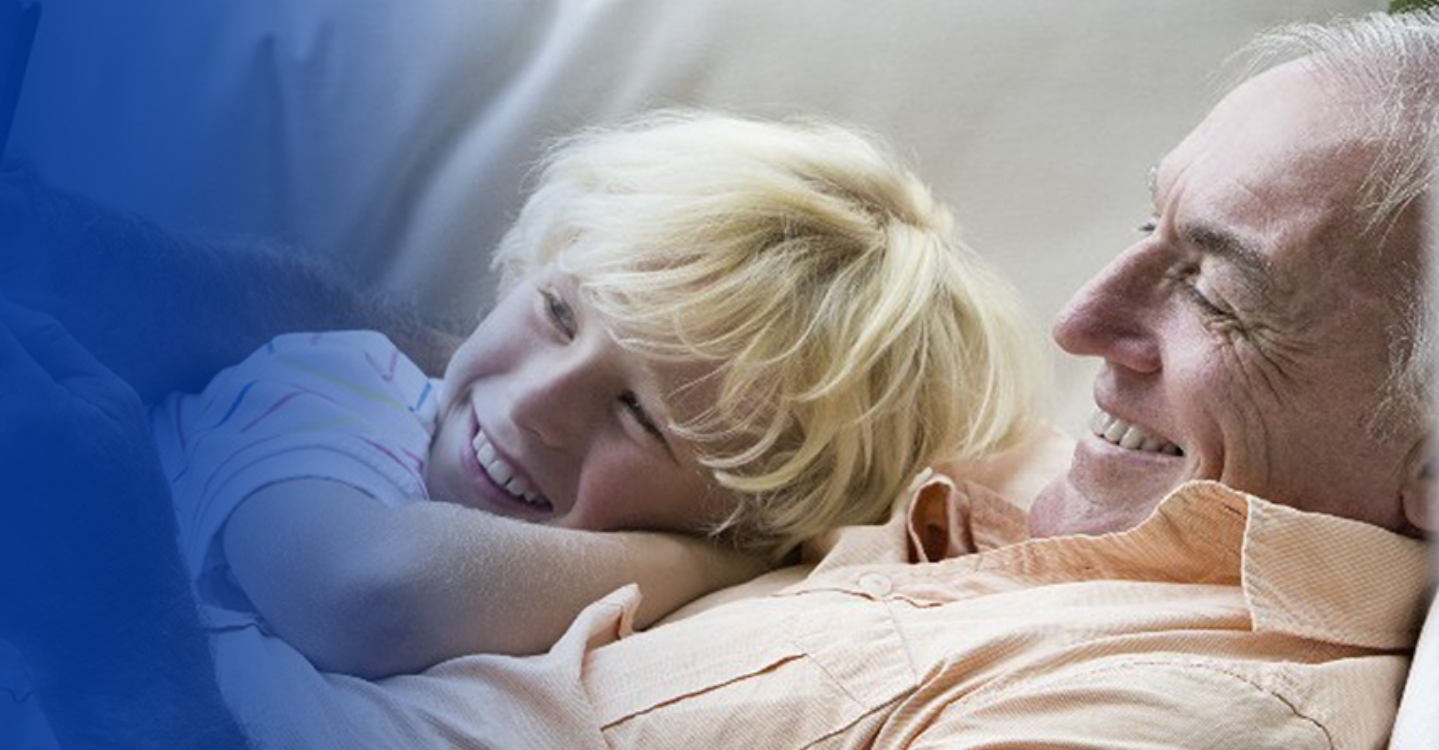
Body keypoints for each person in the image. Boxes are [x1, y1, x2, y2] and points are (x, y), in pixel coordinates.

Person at [1, 8, 1435, 750]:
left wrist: (113, 654)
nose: (1078, 321)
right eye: (1142, 228)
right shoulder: (1078, 475)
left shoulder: (1178, 708)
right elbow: (521, 379)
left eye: (1211, 284)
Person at [149, 110, 1043, 678]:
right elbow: (365, 593)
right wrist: (707, 563)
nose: (541, 401)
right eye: (556, 313)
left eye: (639, 416)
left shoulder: (706, 639)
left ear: (751, 513)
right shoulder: (335, 389)